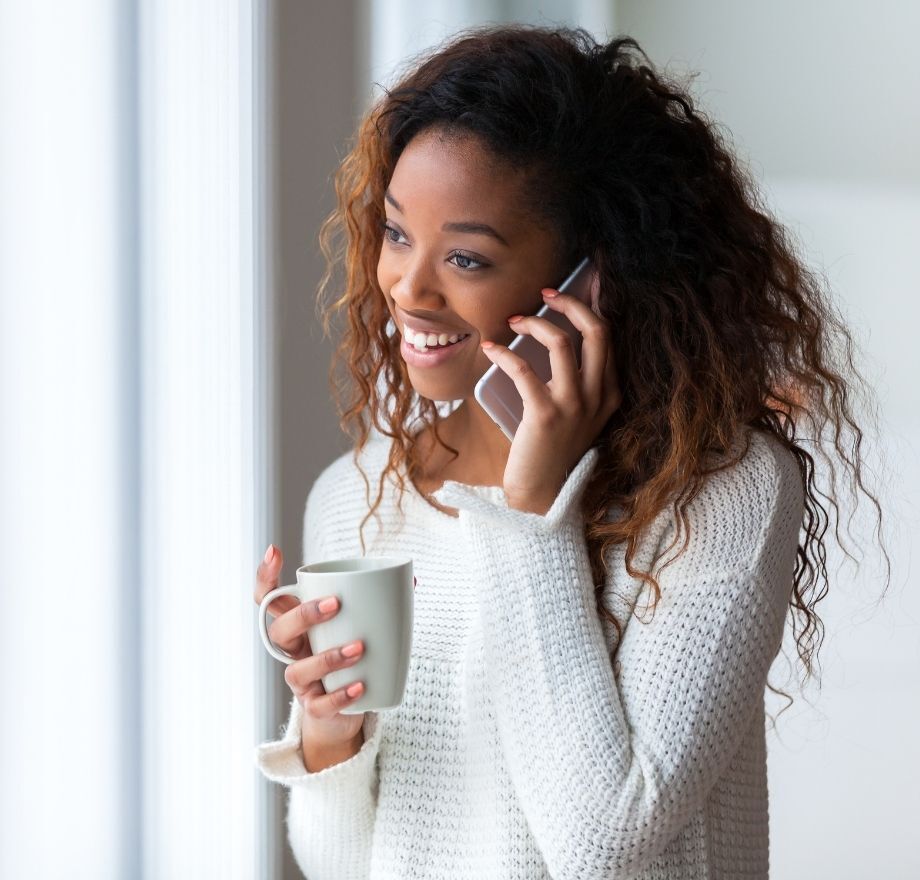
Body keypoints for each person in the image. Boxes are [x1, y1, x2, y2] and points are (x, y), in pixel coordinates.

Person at [254, 24, 886, 880]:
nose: (406, 286)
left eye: (467, 257)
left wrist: (531, 512)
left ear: (595, 276)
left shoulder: (718, 495)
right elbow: (338, 863)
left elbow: (604, 845)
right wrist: (332, 730)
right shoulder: (360, 492)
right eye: (397, 233)